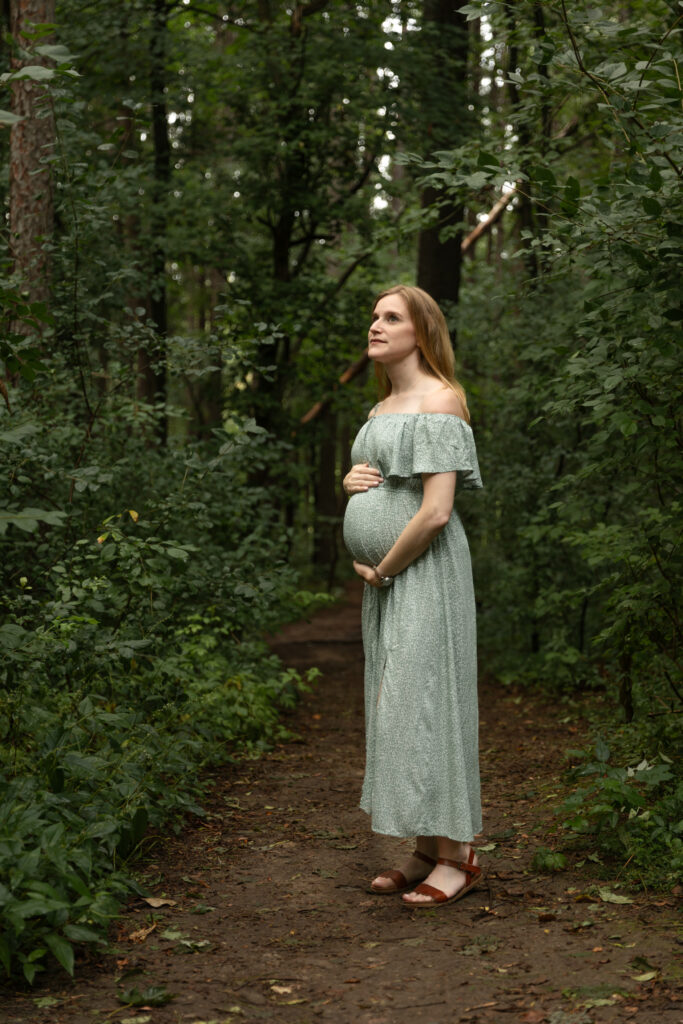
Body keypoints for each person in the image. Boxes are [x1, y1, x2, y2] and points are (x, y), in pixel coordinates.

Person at [342, 284, 483, 908]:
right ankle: (427, 850)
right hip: (389, 580)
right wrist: (351, 483)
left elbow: (434, 513)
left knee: (429, 700)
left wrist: (384, 569)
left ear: (420, 332)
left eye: (390, 317)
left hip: (420, 573)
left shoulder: (440, 402)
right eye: (374, 315)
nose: (375, 325)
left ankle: (460, 854)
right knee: (398, 705)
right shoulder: (381, 410)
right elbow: (376, 487)